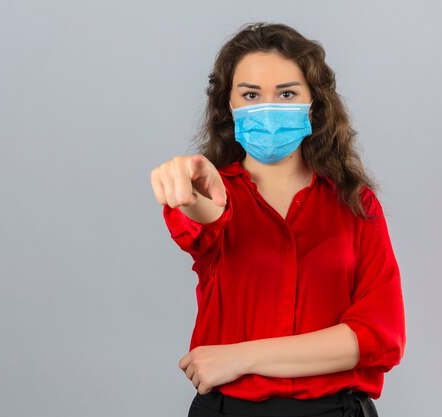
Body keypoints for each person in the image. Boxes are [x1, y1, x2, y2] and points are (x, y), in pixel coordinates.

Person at [150, 22, 405, 417]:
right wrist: (185, 185)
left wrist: (241, 357)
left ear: (313, 103)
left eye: (286, 93)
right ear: (229, 106)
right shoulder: (218, 194)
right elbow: (201, 217)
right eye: (251, 94)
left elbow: (378, 336)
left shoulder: (356, 204)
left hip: (336, 412)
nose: (267, 108)